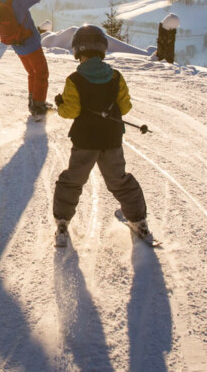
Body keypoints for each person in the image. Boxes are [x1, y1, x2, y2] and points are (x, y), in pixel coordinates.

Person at [50, 25, 153, 246]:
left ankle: (62, 224)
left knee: (73, 181)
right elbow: (124, 108)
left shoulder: (74, 79)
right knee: (119, 181)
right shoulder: (116, 76)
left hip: (85, 141)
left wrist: (60, 105)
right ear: (102, 49)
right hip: (111, 140)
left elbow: (71, 112)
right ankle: (140, 222)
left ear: (78, 50)